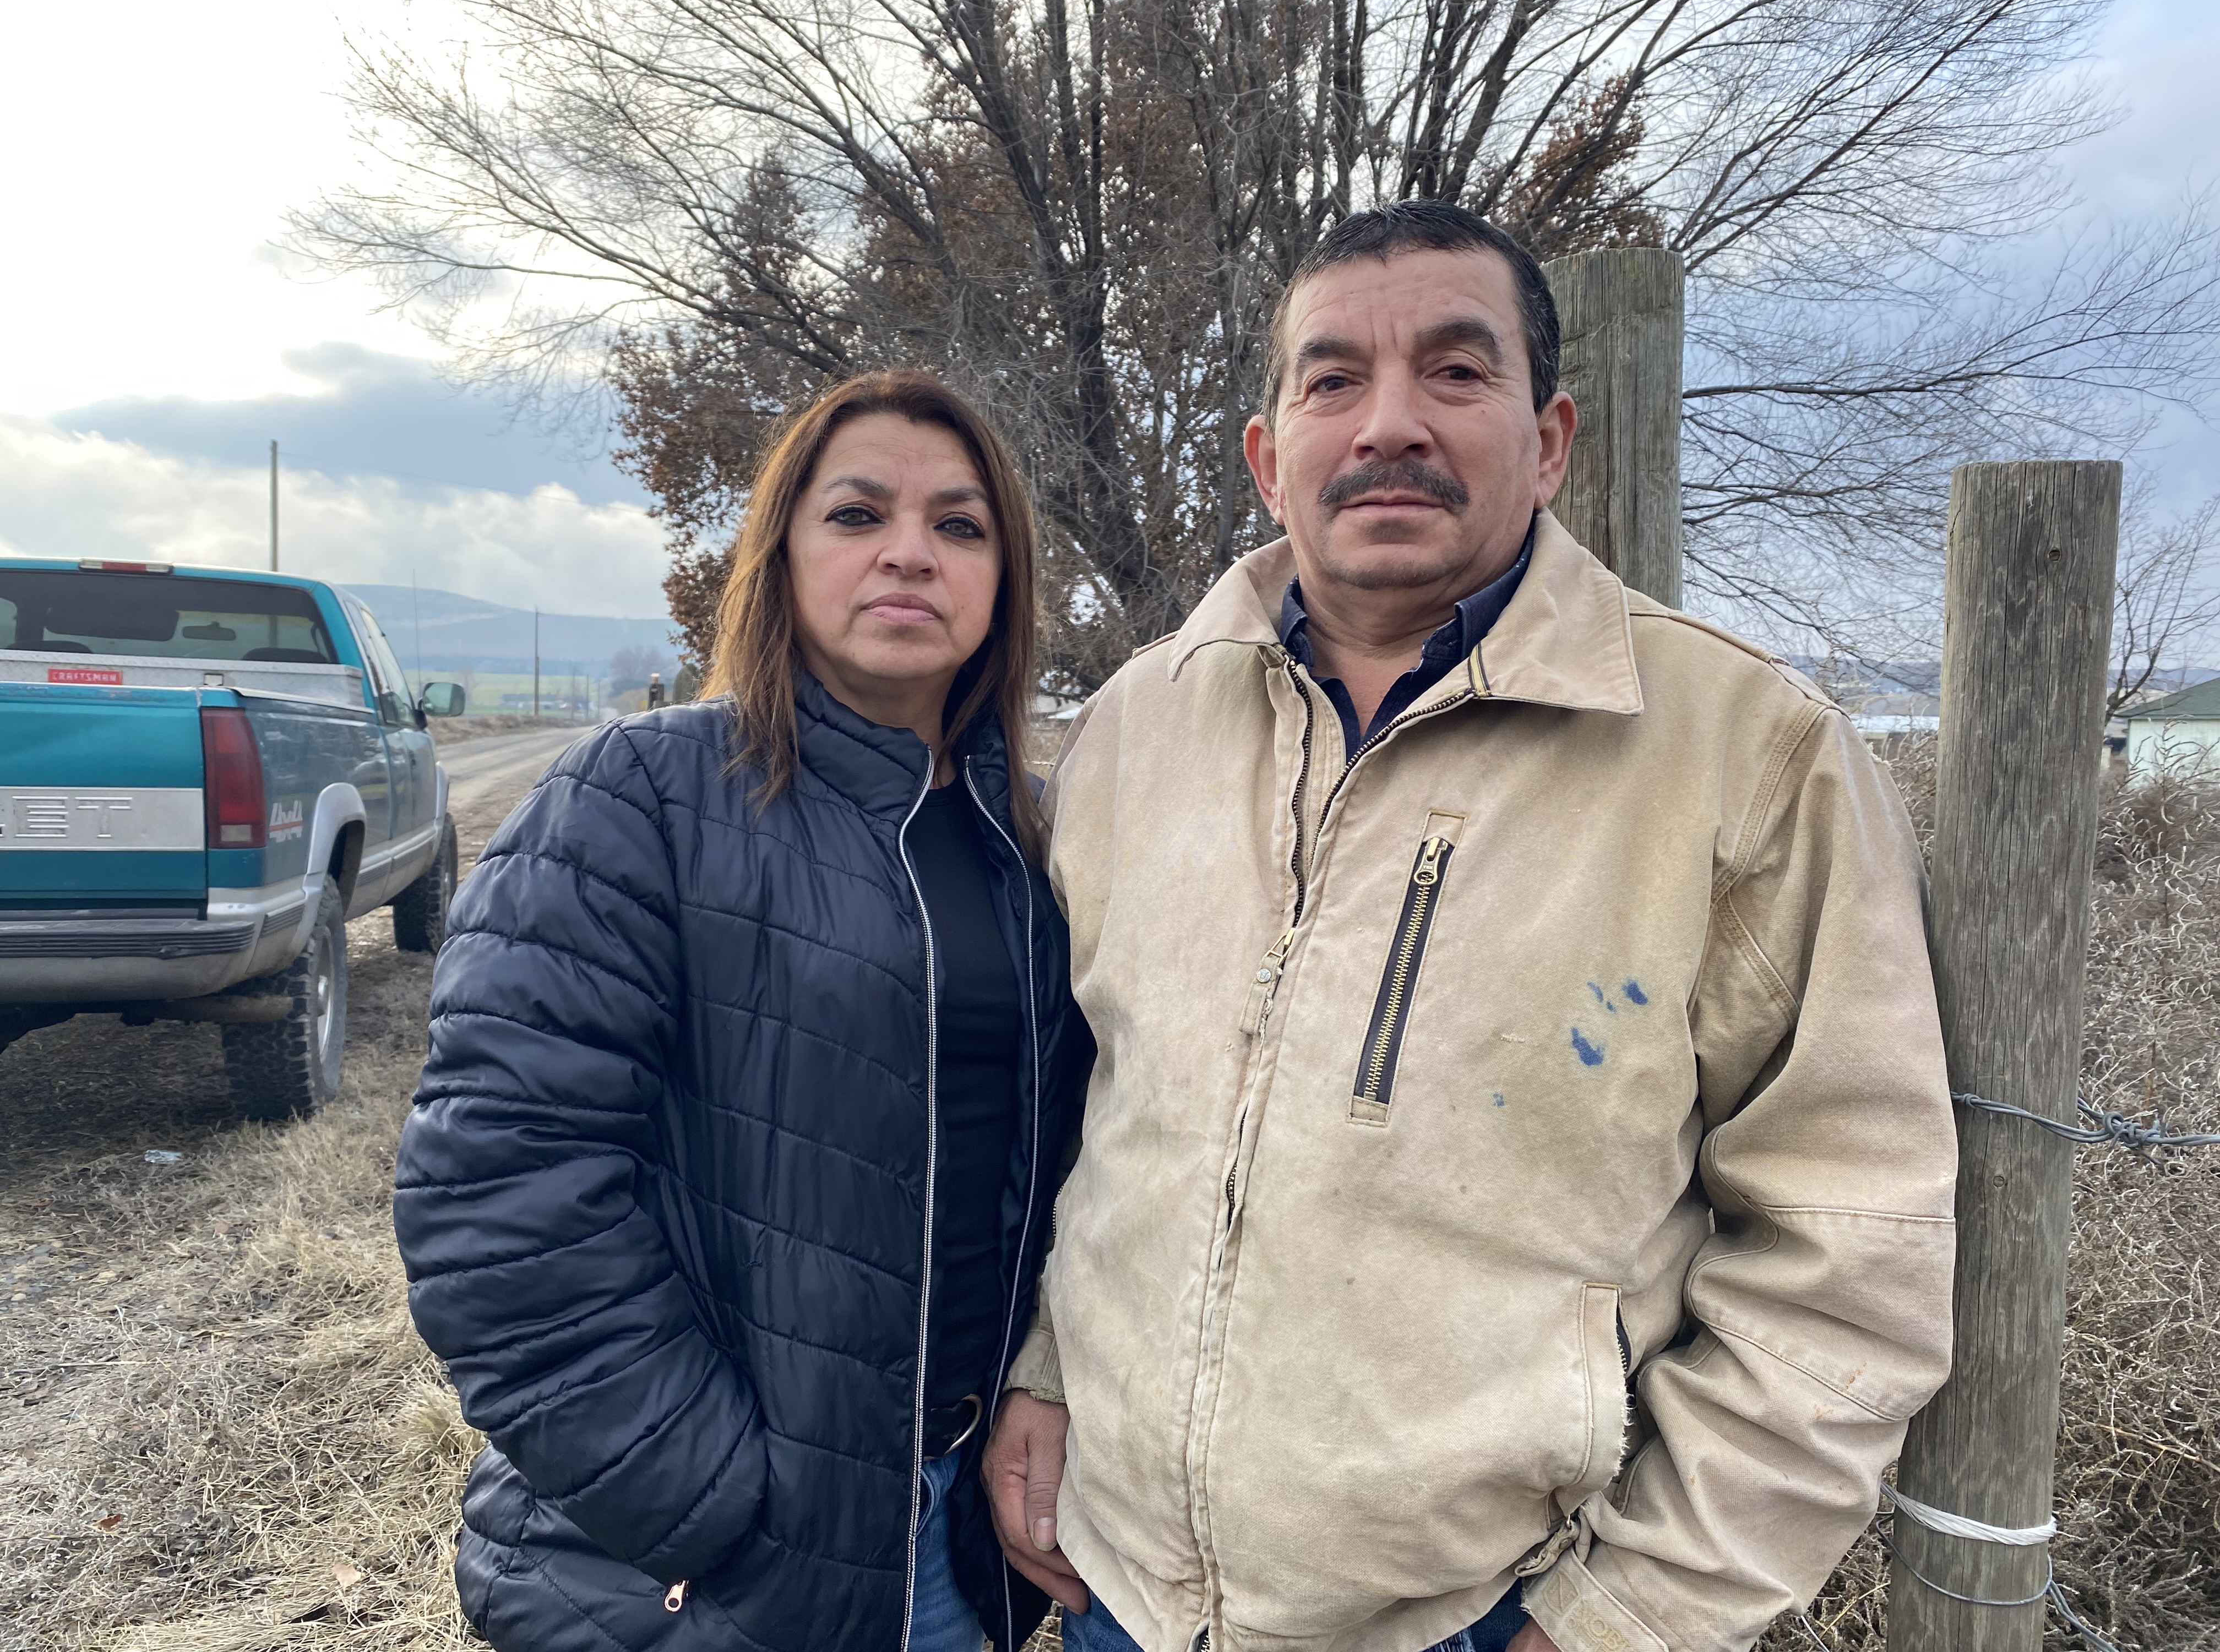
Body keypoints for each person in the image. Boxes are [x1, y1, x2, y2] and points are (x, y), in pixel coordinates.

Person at [983, 203, 1958, 1652]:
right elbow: (1109, 1119)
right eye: (1331, 381)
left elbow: (1852, 1252)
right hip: (1125, 1590)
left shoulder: (1742, 753)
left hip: (1487, 1617)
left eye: (1455, 371)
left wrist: (1632, 1616)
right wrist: (1052, 1368)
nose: (1388, 424)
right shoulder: (1138, 730)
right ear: (1268, 459)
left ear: (1550, 438)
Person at [394, 370, 1090, 1652]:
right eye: (857, 514)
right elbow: (496, 1198)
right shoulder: (643, 800)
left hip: (952, 1540)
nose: (908, 553)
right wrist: (706, 1502)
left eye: (959, 525)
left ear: (1004, 578)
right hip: (704, 1563)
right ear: (781, 555)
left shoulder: (1030, 841)